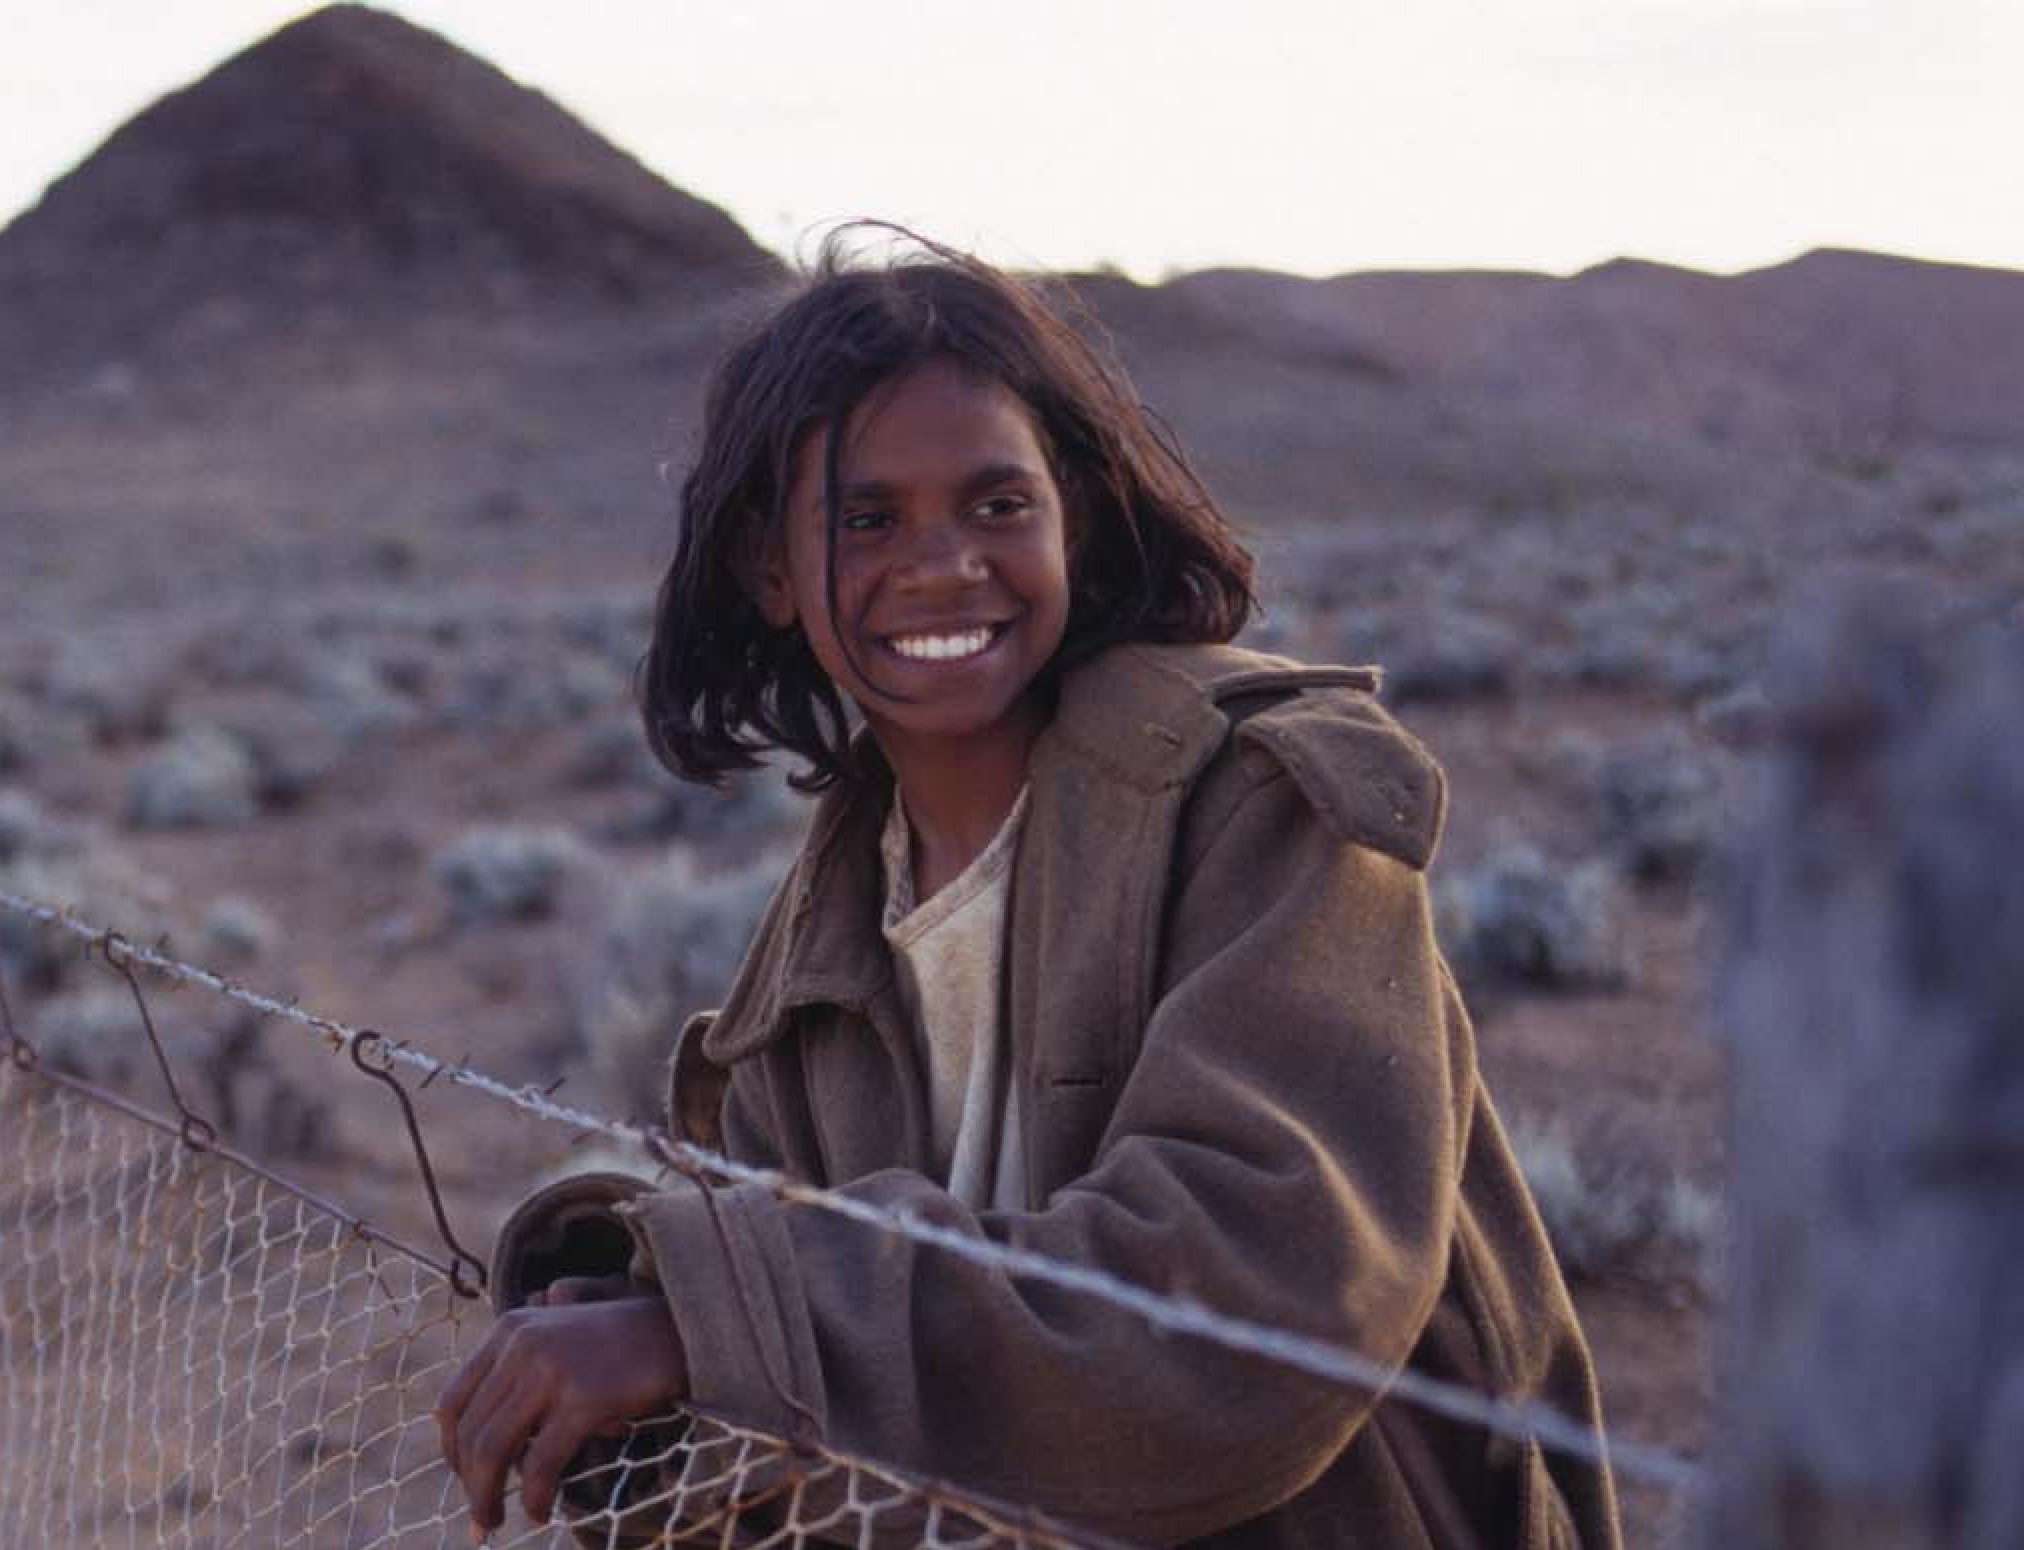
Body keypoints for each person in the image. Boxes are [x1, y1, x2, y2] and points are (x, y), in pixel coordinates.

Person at [436, 228, 1622, 1549]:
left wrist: (708, 1323)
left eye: (997, 504)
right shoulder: (817, 951)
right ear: (773, 569)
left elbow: (1258, 1290)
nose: (943, 563)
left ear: (1076, 513)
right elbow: (787, 1408)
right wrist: (646, 1304)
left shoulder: (1264, 806)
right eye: (867, 519)